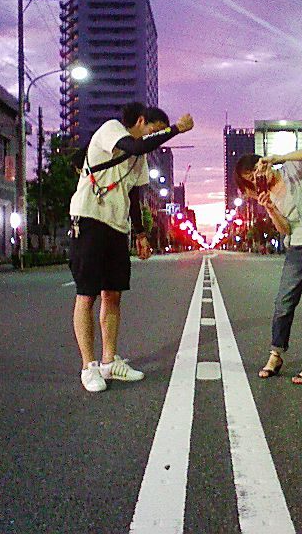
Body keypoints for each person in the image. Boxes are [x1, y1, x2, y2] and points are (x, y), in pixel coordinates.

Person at [69, 102, 194, 392]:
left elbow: (134, 196)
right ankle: (88, 367)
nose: (155, 138)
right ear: (140, 121)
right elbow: (135, 146)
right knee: (87, 295)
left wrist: (141, 234)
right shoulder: (112, 130)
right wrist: (176, 129)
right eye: (154, 131)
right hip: (89, 218)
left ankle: (109, 361)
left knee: (113, 295)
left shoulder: (140, 158)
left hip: (117, 226)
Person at [234, 148, 302, 384]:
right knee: (283, 303)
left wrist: (278, 158)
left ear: (262, 164)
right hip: (298, 248)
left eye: (255, 171)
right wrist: (270, 208)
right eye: (250, 179)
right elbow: (285, 229)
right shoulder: (267, 194)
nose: (256, 178)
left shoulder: (292, 169)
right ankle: (276, 354)